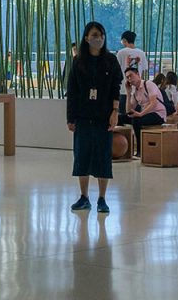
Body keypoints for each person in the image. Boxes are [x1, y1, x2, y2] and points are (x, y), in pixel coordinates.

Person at [67, 20, 122, 214]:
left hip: (103, 115)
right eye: (93, 35)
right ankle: (84, 197)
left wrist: (115, 112)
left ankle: (102, 198)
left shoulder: (110, 60)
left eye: (100, 35)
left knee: (102, 156)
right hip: (83, 115)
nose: (97, 38)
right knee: (81, 155)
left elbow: (116, 87)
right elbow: (72, 91)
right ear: (86, 38)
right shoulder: (78, 61)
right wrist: (70, 118)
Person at [120, 67, 165, 156]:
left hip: (158, 114)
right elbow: (128, 111)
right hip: (145, 114)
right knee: (120, 118)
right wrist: (128, 93)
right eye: (127, 77)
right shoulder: (135, 91)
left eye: (131, 76)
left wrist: (140, 114)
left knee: (136, 120)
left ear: (138, 74)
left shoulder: (148, 84)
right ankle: (124, 148)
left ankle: (140, 150)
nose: (129, 79)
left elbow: (153, 103)